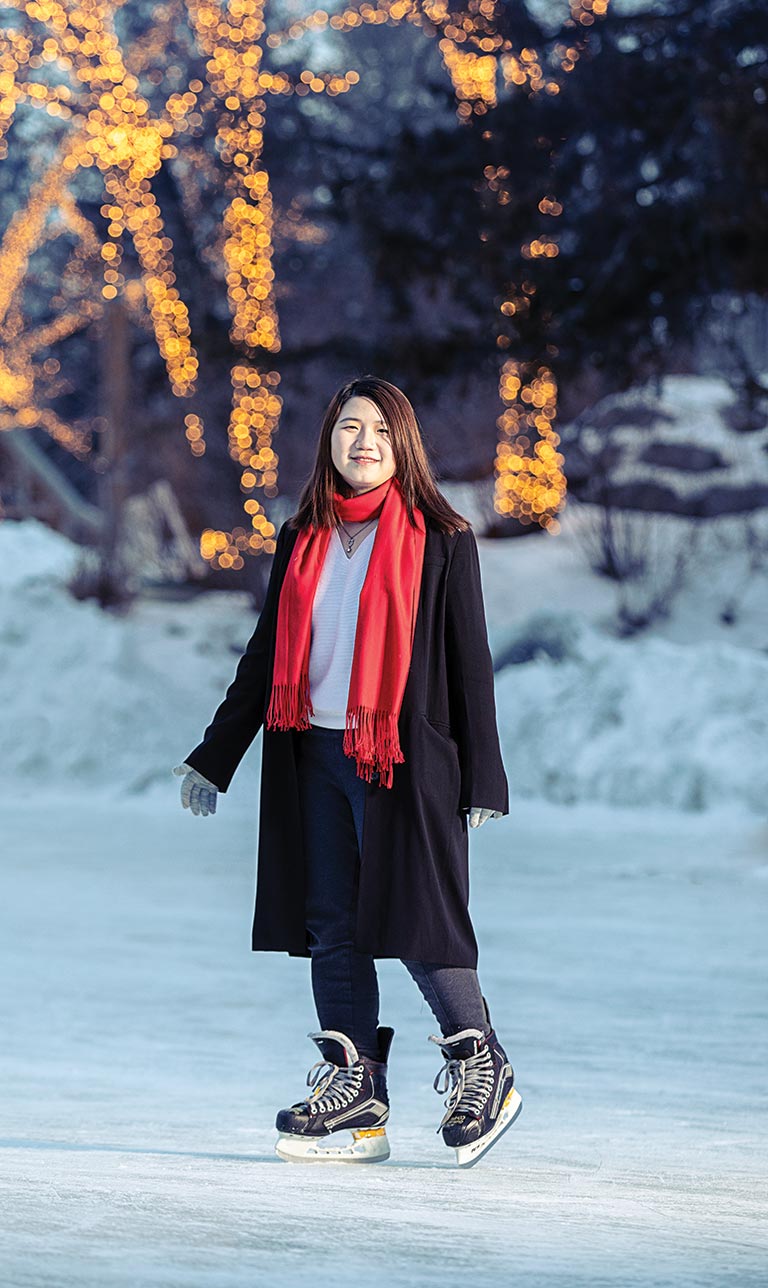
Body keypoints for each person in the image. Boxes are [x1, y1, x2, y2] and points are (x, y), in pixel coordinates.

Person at [173, 375, 521, 1167]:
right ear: (329, 438)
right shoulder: (303, 534)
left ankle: (482, 1066)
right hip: (313, 753)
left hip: (402, 756)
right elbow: (266, 657)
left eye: (380, 432)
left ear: (403, 445)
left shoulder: (442, 537)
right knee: (332, 922)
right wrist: (215, 755)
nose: (363, 444)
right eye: (349, 428)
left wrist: (483, 777)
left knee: (417, 917)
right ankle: (356, 1092)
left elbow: (471, 666)